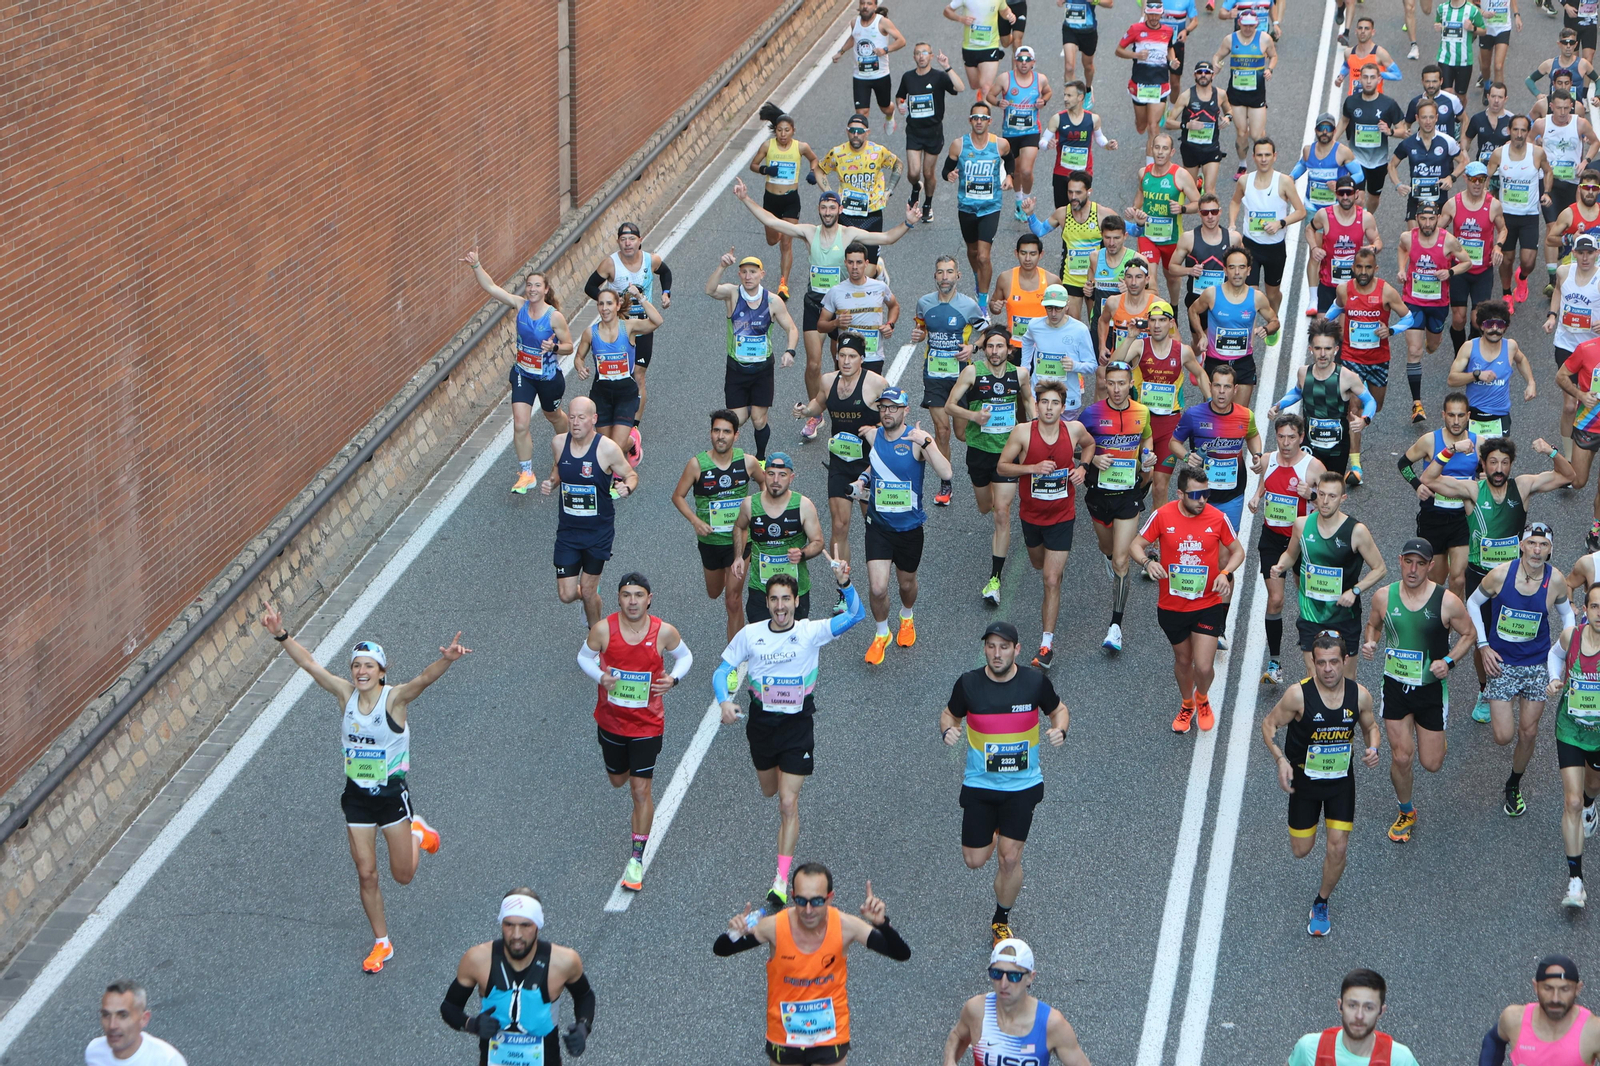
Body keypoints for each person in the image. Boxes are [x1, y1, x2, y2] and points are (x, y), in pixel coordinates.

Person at [258, 605, 468, 973]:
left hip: (390, 796)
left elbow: (423, 678)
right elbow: (310, 665)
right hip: (356, 797)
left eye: (369, 665)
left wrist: (448, 661)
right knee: (366, 872)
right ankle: (381, 943)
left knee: (403, 876)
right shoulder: (345, 695)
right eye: (356, 665)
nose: (361, 671)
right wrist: (281, 634)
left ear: (382, 672)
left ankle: (417, 831)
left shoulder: (395, 699)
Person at [715, 561, 865, 908]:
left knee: (787, 802)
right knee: (770, 791)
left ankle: (781, 881)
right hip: (762, 725)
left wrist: (845, 583)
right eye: (774, 600)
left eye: (786, 599)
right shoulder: (751, 635)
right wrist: (724, 701)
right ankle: (783, 782)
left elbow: (855, 615)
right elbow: (722, 671)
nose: (780, 606)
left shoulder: (811, 632)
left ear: (797, 603)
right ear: (766, 603)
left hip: (797, 726)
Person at [732, 178, 913, 422]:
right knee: (814, 366)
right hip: (815, 304)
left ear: (840, 210)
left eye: (832, 208)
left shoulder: (849, 234)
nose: (827, 212)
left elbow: (888, 238)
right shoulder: (809, 232)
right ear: (819, 210)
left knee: (842, 360)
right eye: (823, 208)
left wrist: (908, 223)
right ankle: (814, 414)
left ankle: (844, 402)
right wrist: (745, 199)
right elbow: (771, 221)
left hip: (842, 306)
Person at [939, 621, 1070, 943]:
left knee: (1010, 857)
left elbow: (1059, 710)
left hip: (1022, 787)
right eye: (991, 647)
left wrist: (1060, 729)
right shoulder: (968, 684)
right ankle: (996, 831)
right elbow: (948, 714)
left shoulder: (1034, 682)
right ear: (985, 649)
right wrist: (948, 730)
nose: (997, 654)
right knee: (975, 860)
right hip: (980, 786)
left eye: (1004, 647)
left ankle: (1001, 918)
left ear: (1017, 650)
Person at [713, 864, 910, 1065]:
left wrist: (882, 924)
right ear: (792, 896)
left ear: (829, 897)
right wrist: (733, 932)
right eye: (801, 901)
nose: (808, 910)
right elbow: (722, 949)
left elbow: (901, 953)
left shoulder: (846, 926)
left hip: (830, 1034)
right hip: (785, 1034)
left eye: (816, 901)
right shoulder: (774, 927)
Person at [1426, 434, 1573, 695]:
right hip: (1479, 575)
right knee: (1481, 639)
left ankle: (1520, 680)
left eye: (1505, 463)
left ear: (1511, 465)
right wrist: (1451, 450)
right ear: (1482, 464)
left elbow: (1568, 476)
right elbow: (1429, 479)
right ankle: (1485, 690)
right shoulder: (1472, 490)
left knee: (1513, 629)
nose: (1498, 469)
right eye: (1493, 462)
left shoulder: (1523, 486)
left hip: (1513, 578)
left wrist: (1549, 451)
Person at [578, 573, 693, 892]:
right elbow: (583, 657)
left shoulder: (663, 631)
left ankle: (636, 860)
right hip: (611, 721)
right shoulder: (603, 629)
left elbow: (685, 657)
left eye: (638, 595)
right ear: (618, 598)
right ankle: (627, 769)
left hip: (647, 725)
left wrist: (674, 679)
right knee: (618, 780)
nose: (632, 601)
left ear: (649, 598)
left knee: (640, 791)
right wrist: (600, 676)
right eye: (626, 595)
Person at [1260, 634, 1380, 935]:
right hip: (1305, 782)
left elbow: (1371, 726)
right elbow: (1268, 725)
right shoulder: (1297, 696)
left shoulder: (1359, 695)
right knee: (1301, 850)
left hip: (1340, 782)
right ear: (1313, 663)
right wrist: (1280, 760)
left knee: (1337, 847)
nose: (1328, 669)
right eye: (1321, 663)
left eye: (1334, 662)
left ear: (1345, 661)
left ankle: (1321, 902)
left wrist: (1373, 748)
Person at [1360, 538, 1477, 843]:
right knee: (1401, 757)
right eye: (1408, 562)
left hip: (1430, 691)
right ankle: (1406, 811)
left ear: (1430, 566)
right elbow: (1372, 625)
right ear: (1399, 561)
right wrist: (1371, 641)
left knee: (1432, 763)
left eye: (1420, 563)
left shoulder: (1447, 601)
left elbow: (1469, 633)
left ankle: (1435, 742)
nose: (1412, 569)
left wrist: (1449, 661)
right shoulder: (1384, 597)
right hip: (1395, 686)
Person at [1131, 465, 1245, 732]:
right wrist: (1148, 563)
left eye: (1205, 494)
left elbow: (1238, 551)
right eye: (1195, 495)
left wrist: (1226, 572)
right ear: (1180, 493)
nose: (1202, 500)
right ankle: (1186, 704)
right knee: (1183, 660)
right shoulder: (1162, 516)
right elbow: (1135, 545)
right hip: (1172, 605)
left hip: (1207, 603)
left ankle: (1202, 698)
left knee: (1204, 666)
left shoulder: (1217, 518)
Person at [1468, 522, 1571, 815]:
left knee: (1528, 732)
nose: (1537, 550)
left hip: (1537, 664)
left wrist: (1563, 655)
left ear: (1550, 550)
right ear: (1522, 545)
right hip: (1502, 663)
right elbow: (1473, 604)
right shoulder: (1500, 574)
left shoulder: (1556, 581)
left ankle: (1513, 784)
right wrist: (1483, 645)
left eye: (1544, 545)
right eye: (1532, 543)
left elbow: (1568, 618)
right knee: (1503, 736)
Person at [998, 378, 1095, 667]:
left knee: (1051, 579)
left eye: (1055, 403)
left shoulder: (1074, 430)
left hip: (1063, 516)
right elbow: (1003, 465)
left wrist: (1083, 468)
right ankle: (1045, 565)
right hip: (1031, 516)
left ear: (1063, 407)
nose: (1049, 408)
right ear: (1036, 405)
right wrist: (1032, 468)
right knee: (1038, 564)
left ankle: (1046, 645)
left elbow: (1089, 446)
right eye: (1044, 402)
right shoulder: (1023, 432)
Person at [440, 890, 593, 1066]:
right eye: (509, 925)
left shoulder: (564, 961)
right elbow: (449, 1007)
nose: (516, 935)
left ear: (537, 925)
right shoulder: (477, 959)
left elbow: (584, 996)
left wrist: (583, 1027)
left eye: (525, 925)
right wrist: (471, 1024)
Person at [460, 254, 572, 494]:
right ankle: (526, 473)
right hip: (523, 374)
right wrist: (476, 265)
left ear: (546, 290)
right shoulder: (520, 305)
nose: (531, 289)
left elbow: (569, 346)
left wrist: (553, 347)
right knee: (520, 424)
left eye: (537, 286)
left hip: (548, 378)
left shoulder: (554, 317)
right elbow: (491, 287)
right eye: (529, 285)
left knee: (553, 415)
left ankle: (568, 441)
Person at [855, 387, 953, 663]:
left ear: (905, 411)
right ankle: (881, 632)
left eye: (893, 407)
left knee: (906, 584)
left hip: (909, 529)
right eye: (883, 407)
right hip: (878, 526)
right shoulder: (874, 436)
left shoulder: (915, 441)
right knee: (877, 588)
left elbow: (946, 472)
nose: (887, 412)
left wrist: (927, 443)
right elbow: (877, 466)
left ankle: (906, 616)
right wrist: (862, 481)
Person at [796, 333, 887, 613]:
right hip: (839, 461)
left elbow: (893, 419)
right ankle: (843, 588)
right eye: (842, 355)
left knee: (874, 525)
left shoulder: (876, 384)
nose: (846, 361)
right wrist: (804, 411)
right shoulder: (828, 380)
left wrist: (875, 433)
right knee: (839, 526)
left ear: (862, 358)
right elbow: (819, 403)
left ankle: (880, 574)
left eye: (852, 356)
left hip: (869, 464)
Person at [1270, 471, 1389, 679]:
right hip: (1311, 613)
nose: (1325, 502)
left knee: (1346, 678)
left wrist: (1355, 590)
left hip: (1344, 615)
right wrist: (1280, 566)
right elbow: (1291, 554)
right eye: (1321, 494)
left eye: (1332, 496)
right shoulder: (1302, 524)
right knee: (1313, 674)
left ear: (1343, 498)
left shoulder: (1356, 531)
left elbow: (1380, 568)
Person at [948, 327, 1037, 604]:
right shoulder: (972, 372)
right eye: (990, 347)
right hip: (979, 452)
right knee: (985, 506)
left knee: (1001, 512)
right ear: (984, 349)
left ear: (1009, 349)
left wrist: (1036, 429)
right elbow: (950, 405)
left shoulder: (1019, 374)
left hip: (1006, 454)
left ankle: (994, 580)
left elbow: (1028, 402)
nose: (995, 351)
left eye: (1000, 346)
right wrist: (973, 415)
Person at [541, 395, 638, 627]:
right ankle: (590, 599)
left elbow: (631, 474)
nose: (575, 422)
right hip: (568, 532)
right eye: (572, 417)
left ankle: (596, 639)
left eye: (581, 418)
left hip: (598, 532)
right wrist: (552, 482)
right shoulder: (559, 443)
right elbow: (559, 469)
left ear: (593, 419)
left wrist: (627, 487)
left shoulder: (607, 449)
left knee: (587, 588)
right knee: (566, 595)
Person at [1077, 360, 1153, 652]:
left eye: (1123, 383)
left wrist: (1148, 456)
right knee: (1107, 549)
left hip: (1128, 493)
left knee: (1123, 560)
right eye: (1112, 383)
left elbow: (1145, 438)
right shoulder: (1092, 413)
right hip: (1098, 493)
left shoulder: (1142, 411)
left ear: (1131, 383)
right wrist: (1092, 459)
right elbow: (1071, 444)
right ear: (1105, 384)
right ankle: (1108, 555)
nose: (1117, 389)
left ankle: (1115, 627)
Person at [672, 411, 767, 642]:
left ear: (736, 435)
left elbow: (764, 481)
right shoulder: (697, 465)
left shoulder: (747, 462)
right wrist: (696, 521)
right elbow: (678, 496)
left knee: (732, 600)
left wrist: (759, 512)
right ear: (710, 434)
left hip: (740, 542)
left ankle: (734, 658)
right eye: (716, 431)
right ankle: (726, 573)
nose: (720, 436)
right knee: (715, 593)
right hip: (711, 542)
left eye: (726, 432)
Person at [1247, 415, 1325, 684]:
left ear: (1301, 438)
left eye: (1292, 437)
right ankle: (1275, 662)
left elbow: (1332, 502)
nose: (1286, 442)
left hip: (1303, 540)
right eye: (1281, 436)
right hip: (1272, 538)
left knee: (1307, 599)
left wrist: (1312, 496)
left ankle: (1316, 657)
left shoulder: (1313, 467)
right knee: (1276, 600)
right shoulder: (1268, 460)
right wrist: (1257, 498)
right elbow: (1265, 485)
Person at [1328, 247, 1416, 484]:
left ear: (1375, 269)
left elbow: (1409, 317)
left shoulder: (1386, 291)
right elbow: (1337, 307)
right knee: (1354, 409)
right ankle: (1356, 467)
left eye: (1368, 267)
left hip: (1378, 360)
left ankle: (1360, 423)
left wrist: (1392, 330)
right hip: (1350, 358)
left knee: (1375, 406)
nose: (1363, 272)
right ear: (1353, 267)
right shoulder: (1344, 290)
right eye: (1359, 267)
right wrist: (1322, 325)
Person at [706, 250, 800, 464]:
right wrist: (722, 266)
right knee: (735, 421)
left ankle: (760, 458)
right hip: (737, 369)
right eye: (744, 272)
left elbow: (792, 329)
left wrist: (790, 351)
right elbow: (710, 290)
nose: (748, 277)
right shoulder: (732, 294)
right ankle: (726, 459)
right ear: (739, 274)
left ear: (762, 275)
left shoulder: (773, 301)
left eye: (753, 272)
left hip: (762, 371)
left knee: (759, 420)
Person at [940, 939, 1093, 1066]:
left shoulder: (1051, 1024)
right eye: (997, 974)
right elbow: (957, 1036)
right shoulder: (977, 1010)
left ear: (1030, 977)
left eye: (1014, 976)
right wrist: (949, 1060)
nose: (1004, 984)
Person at [583, 223, 671, 428]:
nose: (627, 244)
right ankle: (610, 414)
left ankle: (634, 427)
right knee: (615, 373)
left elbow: (666, 273)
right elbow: (589, 286)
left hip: (641, 326)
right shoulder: (610, 264)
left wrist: (666, 293)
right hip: (619, 328)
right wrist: (609, 303)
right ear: (618, 243)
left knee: (639, 375)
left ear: (640, 241)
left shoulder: (651, 260)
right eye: (623, 240)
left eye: (631, 239)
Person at [912, 255, 986, 495]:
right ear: (935, 276)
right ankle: (946, 481)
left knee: (961, 433)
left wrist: (973, 348)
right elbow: (922, 327)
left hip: (961, 377)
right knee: (942, 430)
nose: (945, 277)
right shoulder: (924, 302)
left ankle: (991, 448)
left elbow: (988, 332)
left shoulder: (968, 306)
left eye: (949, 272)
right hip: (933, 375)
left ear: (958, 276)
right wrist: (919, 336)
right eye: (940, 272)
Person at [1396, 200, 1473, 420]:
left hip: (1438, 304)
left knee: (1432, 345)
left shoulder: (1448, 241)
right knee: (1414, 351)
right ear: (1417, 218)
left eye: (1431, 219)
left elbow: (1466, 262)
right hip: (1413, 301)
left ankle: (1431, 344)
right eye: (1423, 218)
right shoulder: (1407, 237)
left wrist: (1450, 272)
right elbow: (1402, 249)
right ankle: (1417, 404)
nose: (1427, 223)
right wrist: (1402, 269)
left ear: (1438, 219)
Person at [1270, 319, 1377, 478]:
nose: (1322, 354)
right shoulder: (1303, 373)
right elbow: (1297, 391)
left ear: (1336, 349)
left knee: (1331, 492)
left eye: (1327, 348)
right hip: (1310, 445)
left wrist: (1365, 420)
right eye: (1318, 348)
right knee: (1307, 489)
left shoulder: (1347, 377)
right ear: (1310, 349)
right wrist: (1279, 404)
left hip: (1337, 448)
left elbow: (1370, 401)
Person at [1548, 587, 1600, 909]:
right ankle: (1575, 882)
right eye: (1595, 606)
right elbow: (1554, 655)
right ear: (1585, 609)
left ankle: (1593, 802)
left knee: (1591, 787)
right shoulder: (1572, 636)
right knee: (1571, 802)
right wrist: (1555, 678)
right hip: (1569, 729)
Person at [1397, 392, 1478, 601]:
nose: (1457, 421)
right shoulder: (1430, 440)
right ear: (1443, 415)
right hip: (1434, 516)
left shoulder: (1479, 443)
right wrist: (1416, 485)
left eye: (1461, 416)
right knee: (1436, 579)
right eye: (1451, 415)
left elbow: (1492, 469)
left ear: (1468, 415)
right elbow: (1403, 464)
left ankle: (1454, 624)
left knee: (1458, 578)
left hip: (1464, 518)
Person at [1122, 298, 1202, 504]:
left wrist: (1211, 404)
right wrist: (1129, 338)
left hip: (1169, 425)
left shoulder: (1182, 350)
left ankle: (1157, 536)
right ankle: (1142, 483)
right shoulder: (1140, 345)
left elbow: (1200, 375)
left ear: (1171, 323)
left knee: (1161, 486)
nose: (1156, 325)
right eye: (1153, 320)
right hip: (1141, 422)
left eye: (1162, 320)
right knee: (1136, 475)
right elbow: (1114, 365)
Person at [1169, 364, 1265, 536]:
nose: (1222, 391)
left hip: (1232, 494)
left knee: (1226, 548)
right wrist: (1186, 456)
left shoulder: (1245, 415)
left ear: (1235, 389)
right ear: (1211, 387)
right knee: (1198, 541)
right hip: (1199, 495)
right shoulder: (1193, 415)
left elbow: (1253, 435)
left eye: (1227, 386)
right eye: (1217, 386)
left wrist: (1257, 454)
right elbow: (1174, 443)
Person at [732, 452, 828, 623]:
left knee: (793, 644)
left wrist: (802, 554)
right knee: (762, 645)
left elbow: (818, 542)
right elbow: (739, 526)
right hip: (761, 589)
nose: (776, 480)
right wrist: (739, 556)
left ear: (791, 478)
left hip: (795, 590)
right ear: (763, 475)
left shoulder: (803, 505)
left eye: (782, 475)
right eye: (771, 474)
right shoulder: (749, 504)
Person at [1227, 140, 1304, 337]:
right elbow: (1235, 202)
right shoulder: (1245, 181)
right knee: (1251, 293)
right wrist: (1232, 224)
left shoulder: (1284, 181)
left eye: (1267, 155)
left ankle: (1274, 320)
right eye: (1259, 155)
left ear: (1274, 156)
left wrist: (1281, 223)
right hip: (1250, 246)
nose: (1263, 159)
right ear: (1253, 157)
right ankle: (1248, 336)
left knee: (1271, 294)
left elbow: (1301, 211)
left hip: (1275, 248)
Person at [573, 288, 661, 459]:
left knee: (617, 445)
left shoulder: (629, 327)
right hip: (601, 394)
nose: (604, 308)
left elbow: (657, 321)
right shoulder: (590, 333)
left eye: (609, 303)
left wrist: (639, 297)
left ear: (617, 305)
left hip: (625, 394)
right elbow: (578, 357)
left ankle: (629, 446)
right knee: (606, 447)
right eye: (601, 304)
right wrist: (580, 368)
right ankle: (623, 457)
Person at [1019, 171, 1119, 321]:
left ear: (1089, 192)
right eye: (1070, 192)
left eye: (1078, 192)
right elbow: (1039, 231)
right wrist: (1030, 214)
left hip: (1095, 278)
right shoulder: (1062, 214)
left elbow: (1126, 231)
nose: (1073, 197)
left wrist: (1139, 224)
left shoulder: (1102, 213)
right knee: (1072, 323)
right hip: (1070, 278)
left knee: (1097, 322)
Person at [749, 104, 823, 300]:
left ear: (793, 131)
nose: (783, 134)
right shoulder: (768, 146)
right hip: (771, 200)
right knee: (773, 240)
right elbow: (753, 165)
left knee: (786, 244)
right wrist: (765, 170)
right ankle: (781, 231)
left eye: (787, 130)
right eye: (780, 130)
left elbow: (814, 160)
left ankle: (784, 284)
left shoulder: (801, 147)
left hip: (791, 200)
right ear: (776, 131)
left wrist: (811, 172)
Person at [944, 102, 1013, 304]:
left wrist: (1010, 176)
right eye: (975, 118)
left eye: (983, 118)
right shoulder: (959, 144)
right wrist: (949, 174)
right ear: (970, 120)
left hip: (990, 207)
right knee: (973, 252)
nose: (979, 121)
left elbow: (1010, 160)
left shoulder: (1000, 144)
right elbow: (945, 170)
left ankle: (982, 303)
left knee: (984, 256)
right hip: (966, 207)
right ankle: (977, 278)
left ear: (990, 121)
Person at [816, 114, 906, 265]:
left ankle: (878, 270)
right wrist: (830, 195)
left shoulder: (878, 151)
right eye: (852, 130)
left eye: (860, 131)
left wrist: (889, 190)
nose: (856, 134)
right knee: (847, 264)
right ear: (847, 131)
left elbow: (898, 164)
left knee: (869, 267)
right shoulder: (837, 153)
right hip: (846, 214)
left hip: (872, 213)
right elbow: (819, 170)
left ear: (867, 132)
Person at [1486, 115, 1553, 309]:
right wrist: (1487, 198)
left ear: (1527, 132)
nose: (1519, 134)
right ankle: (1507, 294)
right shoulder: (1499, 154)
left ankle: (1522, 277)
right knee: (1506, 259)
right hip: (1506, 215)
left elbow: (1548, 171)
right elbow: (1486, 177)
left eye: (1523, 130)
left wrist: (1547, 192)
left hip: (1529, 214)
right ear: (1509, 130)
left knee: (1528, 261)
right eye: (1516, 130)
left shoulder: (1537, 153)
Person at [816, 241, 907, 381]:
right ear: (845, 263)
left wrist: (890, 324)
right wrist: (836, 322)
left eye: (859, 262)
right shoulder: (835, 291)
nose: (854, 267)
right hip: (848, 357)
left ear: (866, 263)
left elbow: (894, 306)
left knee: (871, 398)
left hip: (873, 355)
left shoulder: (879, 287)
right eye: (851, 262)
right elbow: (821, 326)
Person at [1288, 971, 1420, 1066]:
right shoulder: (1309, 1048)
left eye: (1369, 1007)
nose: (1359, 1016)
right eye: (1352, 1005)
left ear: (1381, 1011)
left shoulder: (1400, 1060)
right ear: (1340, 1006)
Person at [897, 43, 968, 221]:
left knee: (928, 173)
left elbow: (960, 88)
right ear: (914, 57)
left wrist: (947, 67)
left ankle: (928, 204)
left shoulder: (939, 76)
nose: (921, 56)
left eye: (925, 53)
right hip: (913, 131)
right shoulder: (907, 77)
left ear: (931, 56)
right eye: (917, 53)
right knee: (913, 173)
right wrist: (900, 105)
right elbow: (900, 95)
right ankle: (915, 188)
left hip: (933, 132)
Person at [1440, 162, 1508, 346]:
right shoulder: (1453, 204)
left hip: (1482, 271)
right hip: (1459, 270)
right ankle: (1458, 355)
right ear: (1465, 179)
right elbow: (1438, 231)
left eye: (1481, 179)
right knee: (1459, 319)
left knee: (1477, 320)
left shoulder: (1493, 205)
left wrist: (1498, 247)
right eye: (1473, 179)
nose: (1477, 184)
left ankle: (1471, 350)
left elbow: (1503, 229)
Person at [1444, 301, 1533, 439]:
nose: (1495, 329)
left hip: (1500, 415)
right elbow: (1452, 380)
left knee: (1497, 458)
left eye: (1500, 325)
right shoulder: (1469, 347)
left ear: (1506, 327)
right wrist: (1476, 375)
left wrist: (1531, 383)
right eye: (1490, 324)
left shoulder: (1510, 346)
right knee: (1474, 458)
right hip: (1474, 415)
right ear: (1481, 326)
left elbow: (1521, 360)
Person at [1128, 134, 1201, 302]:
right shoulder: (1143, 173)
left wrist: (1182, 208)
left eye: (1165, 148)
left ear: (1172, 152)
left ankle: (1173, 309)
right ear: (1151, 149)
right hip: (1147, 236)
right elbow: (1141, 193)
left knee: (1172, 277)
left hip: (1172, 238)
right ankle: (1156, 316)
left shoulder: (1180, 175)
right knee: (1150, 279)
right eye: (1157, 148)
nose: (1160, 152)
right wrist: (1134, 209)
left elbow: (1198, 203)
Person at [1486, 956, 1600, 1059]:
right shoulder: (1514, 1019)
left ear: (1578, 989)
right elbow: (1493, 1040)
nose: (1555, 999)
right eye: (1548, 988)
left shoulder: (1594, 1031)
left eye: (1564, 989)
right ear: (1536, 987)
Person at [1549, 233, 1600, 459]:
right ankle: (1568, 459)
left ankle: (1588, 444)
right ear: (1574, 253)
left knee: (1591, 399)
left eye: (1590, 253)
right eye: (1581, 253)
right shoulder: (1563, 272)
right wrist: (1552, 315)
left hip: (1593, 351)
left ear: (1597, 253)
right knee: (1570, 405)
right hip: (1567, 346)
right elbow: (1559, 290)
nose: (1585, 258)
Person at [1018, 282, 1099, 421]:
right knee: (1039, 439)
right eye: (1049, 308)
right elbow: (1026, 341)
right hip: (1040, 396)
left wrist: (1075, 366)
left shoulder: (1080, 330)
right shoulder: (1035, 325)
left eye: (1058, 308)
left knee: (1065, 440)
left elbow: (1092, 366)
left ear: (1067, 306)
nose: (1053, 313)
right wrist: (1026, 367)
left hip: (1067, 399)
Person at [1115, 0, 1183, 163]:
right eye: (1150, 14)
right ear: (1145, 13)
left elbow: (1169, 47)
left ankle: (1151, 169)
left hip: (1159, 84)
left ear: (1161, 14)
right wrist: (1136, 55)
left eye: (1156, 15)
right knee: (1141, 126)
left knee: (1153, 127)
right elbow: (1118, 51)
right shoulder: (1135, 29)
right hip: (1139, 85)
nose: (1153, 18)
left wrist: (1172, 61)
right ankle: (1140, 121)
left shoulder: (1167, 30)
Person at [1305, 177, 1383, 317]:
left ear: (1356, 194)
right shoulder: (1324, 215)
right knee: (1322, 331)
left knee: (1344, 332)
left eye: (1349, 193)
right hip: (1328, 283)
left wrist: (1373, 248)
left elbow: (1377, 240)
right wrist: (1314, 248)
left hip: (1353, 284)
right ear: (1336, 194)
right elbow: (1309, 229)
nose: (1345, 197)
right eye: (1341, 193)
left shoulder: (1365, 217)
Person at [988, 46, 1052, 214]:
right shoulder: (1005, 79)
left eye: (1028, 60)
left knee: (1026, 170)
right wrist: (997, 103)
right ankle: (1018, 202)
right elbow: (990, 95)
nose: (1024, 63)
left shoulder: (1040, 79)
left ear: (1033, 62)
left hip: (1031, 131)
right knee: (1016, 171)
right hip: (1010, 133)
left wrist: (1043, 101)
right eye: (1021, 60)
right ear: (1015, 61)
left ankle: (1026, 199)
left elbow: (1048, 92)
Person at [1337, 65, 1408, 213]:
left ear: (1379, 79)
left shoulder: (1388, 104)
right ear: (1360, 79)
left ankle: (1367, 218)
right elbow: (1343, 122)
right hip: (1356, 159)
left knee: (1374, 197)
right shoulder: (1351, 101)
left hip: (1378, 161)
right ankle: (1357, 224)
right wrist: (1329, 143)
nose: (1368, 81)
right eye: (1365, 77)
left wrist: (1390, 131)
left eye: (1372, 77)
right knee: (1358, 198)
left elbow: (1404, 132)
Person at [1211, 12, 1275, 174]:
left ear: (1256, 24)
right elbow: (1218, 55)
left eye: (1251, 25)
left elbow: (1273, 56)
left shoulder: (1265, 39)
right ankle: (1243, 165)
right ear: (1239, 23)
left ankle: (1264, 159)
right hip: (1236, 94)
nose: (1248, 28)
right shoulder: (1230, 39)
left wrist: (1269, 69)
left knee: (1256, 135)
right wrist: (1216, 65)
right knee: (1241, 132)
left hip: (1257, 93)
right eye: (1245, 25)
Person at [1041, 79, 1118, 206]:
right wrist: (1047, 145)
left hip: (1084, 173)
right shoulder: (1057, 118)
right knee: (1063, 212)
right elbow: (1042, 141)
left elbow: (1099, 138)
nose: (1065, 99)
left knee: (1080, 211)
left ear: (1080, 97)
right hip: (1061, 173)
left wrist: (1107, 144)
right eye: (1064, 95)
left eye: (1069, 95)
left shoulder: (1093, 119)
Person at [1556, 332, 1600, 549]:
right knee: (1578, 481)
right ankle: (1556, 457)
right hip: (1588, 424)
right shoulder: (1586, 348)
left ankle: (1596, 530)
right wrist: (1581, 395)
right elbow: (1561, 376)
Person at [1174, 191, 1238, 334]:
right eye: (1205, 212)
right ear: (1199, 213)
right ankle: (1197, 356)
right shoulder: (1188, 238)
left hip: (1224, 299)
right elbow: (1172, 267)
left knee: (1220, 338)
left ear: (1220, 212)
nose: (1210, 217)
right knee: (1198, 343)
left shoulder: (1233, 239)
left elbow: (1245, 266)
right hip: (1197, 299)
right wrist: (1189, 271)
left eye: (1214, 212)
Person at [836, 0, 907, 131]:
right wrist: (841, 52)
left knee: (885, 107)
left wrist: (885, 50)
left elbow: (901, 41)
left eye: (869, 4)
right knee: (861, 113)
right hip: (860, 76)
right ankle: (862, 142)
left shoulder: (882, 22)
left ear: (875, 6)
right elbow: (854, 38)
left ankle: (890, 116)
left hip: (880, 75)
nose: (865, 6)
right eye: (862, 3)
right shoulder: (854, 22)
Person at [1294, 114, 1366, 238]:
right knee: (1316, 251)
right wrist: (1290, 178)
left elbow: (1359, 174)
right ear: (1316, 130)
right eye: (1321, 128)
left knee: (1334, 247)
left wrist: (1340, 185)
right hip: (1313, 206)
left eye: (1329, 128)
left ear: (1334, 131)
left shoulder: (1342, 152)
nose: (1325, 132)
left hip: (1336, 207)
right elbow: (1301, 165)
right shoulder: (1308, 150)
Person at [1165, 61, 1232, 196]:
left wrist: (1228, 118)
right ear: (1194, 75)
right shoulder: (1186, 96)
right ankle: (1198, 183)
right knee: (1190, 192)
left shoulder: (1220, 94)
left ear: (1212, 76)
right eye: (1200, 72)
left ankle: (1209, 214)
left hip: (1211, 149)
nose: (1203, 75)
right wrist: (1185, 125)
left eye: (1207, 73)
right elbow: (1168, 122)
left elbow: (1229, 110)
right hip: (1190, 149)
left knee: (1210, 192)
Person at [88, 981, 187, 1066]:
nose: (112, 1025)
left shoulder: (168, 1061)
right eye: (106, 1015)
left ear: (143, 1019)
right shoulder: (94, 1052)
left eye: (123, 1016)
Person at [992, 233, 1060, 354]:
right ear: (1016, 253)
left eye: (1033, 254)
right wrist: (995, 306)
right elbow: (994, 306)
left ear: (1041, 255)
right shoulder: (1005, 278)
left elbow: (1064, 314)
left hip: (1043, 346)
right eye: (1023, 253)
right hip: (1014, 347)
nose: (1028, 259)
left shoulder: (1052, 281)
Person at [947, 0, 1016, 99]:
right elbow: (947, 11)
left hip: (990, 46)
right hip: (969, 47)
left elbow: (1004, 10)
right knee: (975, 85)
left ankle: (984, 112)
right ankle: (981, 102)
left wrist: (1010, 15)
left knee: (985, 88)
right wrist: (961, 19)